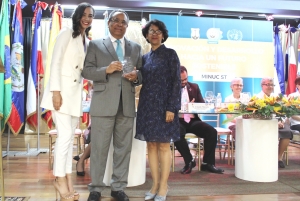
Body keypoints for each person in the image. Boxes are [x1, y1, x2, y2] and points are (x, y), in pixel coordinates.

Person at [82, 9, 142, 201]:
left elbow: (141, 74)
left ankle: (118, 187)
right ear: (108, 23)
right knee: (99, 148)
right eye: (115, 21)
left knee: (123, 149)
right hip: (103, 104)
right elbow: (87, 71)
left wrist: (136, 77)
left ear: (127, 26)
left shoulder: (135, 47)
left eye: (123, 22)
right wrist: (105, 70)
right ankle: (96, 189)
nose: (119, 24)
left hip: (126, 105)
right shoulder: (95, 45)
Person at [40, 3, 94, 201]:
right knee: (63, 139)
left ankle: (68, 180)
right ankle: (59, 180)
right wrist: (55, 91)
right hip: (61, 95)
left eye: (91, 15)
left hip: (74, 97)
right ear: (77, 15)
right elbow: (54, 62)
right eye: (85, 14)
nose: (87, 18)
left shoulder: (84, 39)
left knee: (69, 140)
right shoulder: (65, 32)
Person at [135, 19, 181, 201]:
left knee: (163, 145)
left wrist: (172, 107)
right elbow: (140, 80)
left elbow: (176, 83)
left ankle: (164, 186)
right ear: (146, 35)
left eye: (158, 31)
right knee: (151, 145)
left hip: (165, 106)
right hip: (147, 105)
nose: (154, 34)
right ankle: (154, 184)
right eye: (151, 31)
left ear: (163, 35)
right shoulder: (144, 58)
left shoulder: (170, 54)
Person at [174, 66, 224, 175]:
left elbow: (203, 105)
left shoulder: (194, 87)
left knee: (211, 131)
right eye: (181, 80)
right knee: (176, 132)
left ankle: (207, 163)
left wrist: (194, 106)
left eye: (185, 79)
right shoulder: (170, 88)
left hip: (192, 120)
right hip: (178, 120)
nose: (183, 82)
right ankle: (189, 161)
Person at [256, 77, 292, 168]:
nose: (270, 87)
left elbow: (283, 112)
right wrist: (273, 123)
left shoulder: (277, 98)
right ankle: (263, 157)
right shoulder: (257, 98)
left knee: (287, 132)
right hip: (264, 123)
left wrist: (281, 121)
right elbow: (258, 115)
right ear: (262, 86)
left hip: (278, 123)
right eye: (267, 84)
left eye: (272, 85)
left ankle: (278, 158)